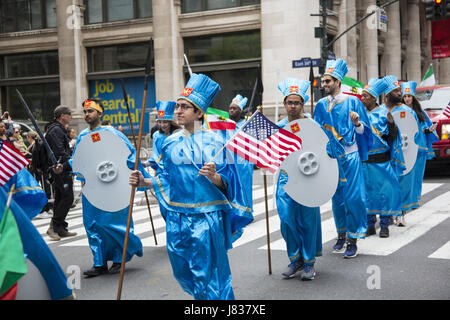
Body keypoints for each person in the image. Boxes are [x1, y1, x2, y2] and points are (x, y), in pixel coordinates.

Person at [129, 73, 253, 300]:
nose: (178, 111)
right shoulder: (169, 142)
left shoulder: (216, 142)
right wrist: (144, 181)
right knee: (185, 272)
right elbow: (166, 177)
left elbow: (231, 181)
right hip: (177, 218)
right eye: (177, 106)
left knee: (211, 275)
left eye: (185, 107)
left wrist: (215, 177)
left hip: (206, 218)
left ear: (199, 113)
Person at [67, 98, 143, 277]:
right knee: (93, 224)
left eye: (90, 111)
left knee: (115, 223)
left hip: (115, 187)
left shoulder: (113, 133)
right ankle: (99, 262)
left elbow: (130, 154)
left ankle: (119, 258)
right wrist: (68, 167)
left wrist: (132, 173)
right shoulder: (83, 136)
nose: (87, 115)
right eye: (85, 112)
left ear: (100, 113)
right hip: (92, 188)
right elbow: (77, 159)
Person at [313, 59, 373, 259]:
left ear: (338, 82)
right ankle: (341, 235)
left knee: (354, 197)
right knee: (337, 198)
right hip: (332, 158)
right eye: (323, 81)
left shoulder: (353, 101)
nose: (325, 85)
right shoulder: (321, 105)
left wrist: (357, 124)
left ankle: (353, 239)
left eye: (328, 81)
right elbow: (317, 132)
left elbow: (366, 130)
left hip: (350, 155)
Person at [276, 78, 322, 280]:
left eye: (296, 102)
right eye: (289, 102)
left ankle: (309, 263)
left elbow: (324, 150)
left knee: (308, 221)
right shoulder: (278, 127)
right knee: (287, 220)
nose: (292, 106)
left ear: (302, 104)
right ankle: (295, 260)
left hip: (308, 179)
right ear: (284, 104)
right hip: (285, 180)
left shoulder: (312, 125)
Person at [360, 78, 404, 238]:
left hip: (382, 161)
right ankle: (370, 225)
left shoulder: (383, 113)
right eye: (362, 96)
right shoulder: (360, 114)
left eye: (365, 96)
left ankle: (384, 225)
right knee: (368, 194)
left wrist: (392, 125)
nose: (362, 99)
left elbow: (391, 137)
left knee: (384, 194)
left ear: (373, 98)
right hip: (365, 162)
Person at [401, 81, 438, 209]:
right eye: (405, 96)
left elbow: (425, 128)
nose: (407, 99)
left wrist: (430, 129)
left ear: (413, 97)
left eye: (409, 96)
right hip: (404, 148)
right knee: (406, 175)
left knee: (417, 175)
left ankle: (414, 199)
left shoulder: (420, 112)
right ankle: (406, 200)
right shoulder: (400, 111)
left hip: (419, 149)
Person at [45, 105, 77, 241]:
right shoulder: (56, 130)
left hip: (61, 167)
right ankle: (54, 227)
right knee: (68, 198)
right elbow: (59, 151)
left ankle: (61, 228)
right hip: (60, 168)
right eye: (69, 114)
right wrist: (70, 161)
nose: (71, 116)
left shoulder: (57, 129)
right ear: (62, 115)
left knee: (60, 197)